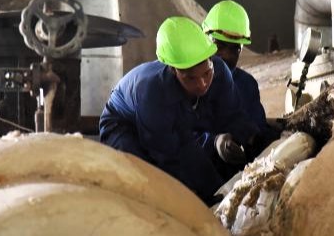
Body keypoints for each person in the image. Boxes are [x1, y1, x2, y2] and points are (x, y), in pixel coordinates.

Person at [99, 16, 258, 204]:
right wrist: (209, 197)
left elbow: (232, 116)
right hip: (124, 125)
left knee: (208, 177)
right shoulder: (151, 91)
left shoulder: (221, 72)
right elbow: (171, 155)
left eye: (207, 73)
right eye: (190, 78)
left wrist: (253, 140)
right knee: (143, 182)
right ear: (173, 70)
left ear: (211, 60)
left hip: (168, 124)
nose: (202, 84)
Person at [201, 0, 281, 162]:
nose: (227, 55)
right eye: (219, 45)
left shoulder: (247, 85)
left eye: (235, 48)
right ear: (204, 40)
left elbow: (257, 134)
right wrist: (215, 142)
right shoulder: (190, 84)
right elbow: (182, 136)